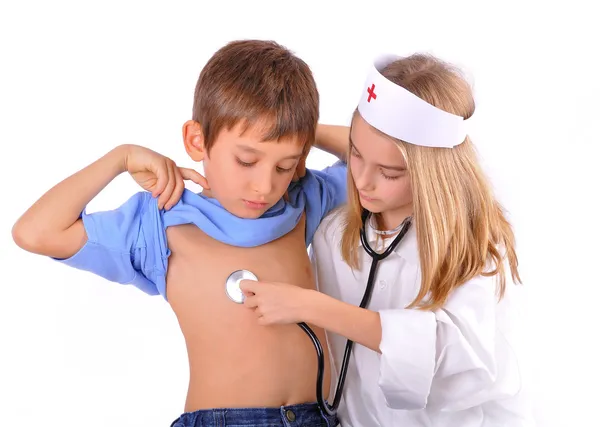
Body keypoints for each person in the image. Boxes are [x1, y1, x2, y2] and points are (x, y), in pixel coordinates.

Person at [12, 40, 346, 427]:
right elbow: (34, 232)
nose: (264, 187)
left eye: (285, 165)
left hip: (318, 417)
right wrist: (120, 158)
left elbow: (383, 151)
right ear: (196, 141)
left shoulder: (302, 200)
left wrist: (297, 128)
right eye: (247, 160)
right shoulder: (162, 219)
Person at [240, 53, 534, 426]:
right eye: (355, 155)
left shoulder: (472, 244)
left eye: (390, 173)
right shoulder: (335, 229)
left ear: (433, 174)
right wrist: (295, 131)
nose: (362, 181)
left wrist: (312, 307)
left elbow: (454, 354)